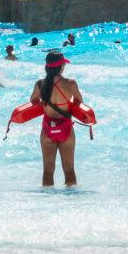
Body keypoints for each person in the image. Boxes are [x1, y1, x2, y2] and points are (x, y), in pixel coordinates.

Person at [30, 51, 83, 187]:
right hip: (66, 130)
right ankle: (70, 202)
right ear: (61, 66)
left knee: (48, 170)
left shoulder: (40, 84)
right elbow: (79, 101)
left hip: (47, 130)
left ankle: (48, 201)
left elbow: (33, 101)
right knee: (69, 170)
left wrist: (45, 104)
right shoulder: (70, 84)